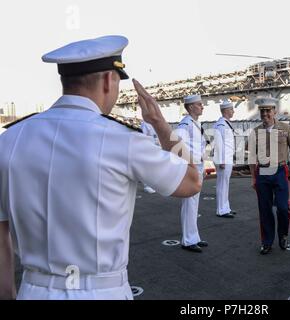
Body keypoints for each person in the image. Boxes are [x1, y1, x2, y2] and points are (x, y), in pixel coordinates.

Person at [0, 35, 201, 300]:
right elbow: (191, 181)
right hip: (101, 291)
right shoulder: (123, 140)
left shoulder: (9, 140)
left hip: (33, 291)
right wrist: (161, 125)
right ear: (109, 80)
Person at [249, 97, 290, 255]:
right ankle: (267, 242)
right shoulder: (256, 132)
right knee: (264, 209)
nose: (265, 113)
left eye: (268, 110)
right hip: (262, 173)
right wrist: (253, 178)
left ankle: (283, 235)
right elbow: (251, 156)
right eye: (262, 111)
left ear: (274, 111)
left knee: (283, 208)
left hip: (279, 171)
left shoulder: (285, 128)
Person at [175, 95, 209, 253]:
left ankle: (193, 236)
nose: (202, 107)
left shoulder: (195, 124)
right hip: (190, 168)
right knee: (189, 204)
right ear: (190, 107)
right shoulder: (185, 124)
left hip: (198, 166)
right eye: (199, 104)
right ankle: (188, 240)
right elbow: (178, 147)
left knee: (194, 204)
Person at [213, 99, 236, 218]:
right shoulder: (221, 125)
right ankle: (221, 210)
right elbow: (218, 144)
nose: (233, 111)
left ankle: (226, 207)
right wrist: (221, 160)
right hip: (223, 160)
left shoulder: (226, 123)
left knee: (225, 184)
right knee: (222, 184)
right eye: (231, 109)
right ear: (226, 111)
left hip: (227, 158)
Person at [141, 121, 160, 194]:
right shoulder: (145, 123)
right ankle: (147, 186)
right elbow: (143, 136)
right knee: (148, 167)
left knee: (155, 167)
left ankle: (153, 184)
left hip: (156, 147)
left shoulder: (155, 122)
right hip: (148, 147)